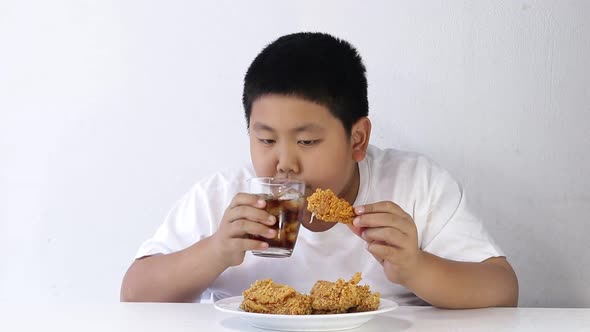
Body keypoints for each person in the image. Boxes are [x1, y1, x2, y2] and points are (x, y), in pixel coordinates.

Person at [120, 32, 518, 308]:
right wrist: (216, 250)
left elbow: (502, 290)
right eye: (265, 139)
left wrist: (416, 267)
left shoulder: (414, 184)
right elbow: (134, 293)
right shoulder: (224, 196)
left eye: (307, 142)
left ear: (357, 139)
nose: (284, 162)